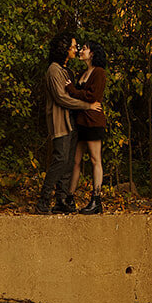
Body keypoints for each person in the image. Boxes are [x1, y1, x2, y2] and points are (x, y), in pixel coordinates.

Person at [36, 32, 100, 214]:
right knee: (60, 160)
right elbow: (62, 98)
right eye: (72, 46)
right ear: (63, 49)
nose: (75, 49)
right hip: (59, 123)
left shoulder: (67, 70)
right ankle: (43, 201)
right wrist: (87, 105)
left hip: (72, 123)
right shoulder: (54, 70)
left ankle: (61, 201)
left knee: (69, 162)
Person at [66, 41, 107, 215]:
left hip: (93, 121)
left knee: (95, 159)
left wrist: (73, 90)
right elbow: (81, 96)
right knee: (76, 161)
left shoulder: (99, 72)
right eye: (81, 48)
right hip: (81, 121)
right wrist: (74, 92)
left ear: (92, 53)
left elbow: (92, 96)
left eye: (84, 49)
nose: (81, 51)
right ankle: (69, 197)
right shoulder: (84, 73)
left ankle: (96, 200)